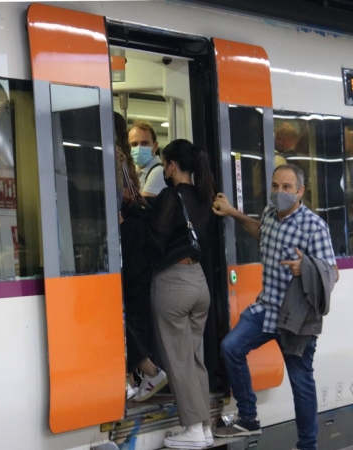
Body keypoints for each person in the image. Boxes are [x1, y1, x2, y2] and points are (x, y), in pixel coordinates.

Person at [211, 164, 338, 450]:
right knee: (231, 347)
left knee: (300, 381)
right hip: (267, 308)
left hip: (297, 317)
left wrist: (303, 267)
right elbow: (261, 231)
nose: (279, 192)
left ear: (300, 191)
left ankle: (308, 445)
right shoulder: (270, 214)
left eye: (287, 187)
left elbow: (333, 272)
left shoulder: (313, 225)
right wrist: (233, 213)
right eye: (275, 186)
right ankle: (248, 417)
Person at [145, 139, 216, 449]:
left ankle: (192, 429)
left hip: (173, 283)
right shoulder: (205, 197)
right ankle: (205, 425)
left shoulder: (170, 196)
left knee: (178, 359)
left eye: (164, 164)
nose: (163, 169)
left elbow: (154, 239)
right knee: (195, 358)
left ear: (172, 166)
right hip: (199, 282)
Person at [115, 112, 166, 402]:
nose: (138, 149)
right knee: (132, 311)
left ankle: (145, 370)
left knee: (126, 312)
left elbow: (128, 199)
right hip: (136, 244)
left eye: (144, 143)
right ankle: (136, 374)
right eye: (135, 142)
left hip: (130, 242)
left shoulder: (119, 160)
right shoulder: (129, 164)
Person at [129, 121, 166, 198]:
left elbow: (140, 208)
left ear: (155, 146)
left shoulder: (158, 172)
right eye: (134, 144)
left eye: (144, 143)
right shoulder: (136, 171)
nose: (139, 148)